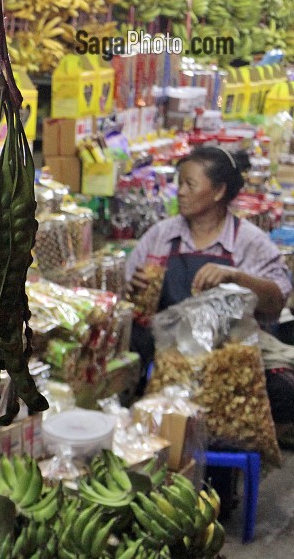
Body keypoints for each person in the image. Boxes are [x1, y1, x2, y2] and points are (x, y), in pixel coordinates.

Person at [125, 147, 294, 423]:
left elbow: (276, 301)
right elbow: (127, 295)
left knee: (279, 392)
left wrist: (236, 278)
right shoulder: (161, 235)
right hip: (168, 350)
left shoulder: (249, 242)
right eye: (179, 184)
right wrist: (134, 289)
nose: (180, 192)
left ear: (218, 191)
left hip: (226, 355)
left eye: (190, 184)